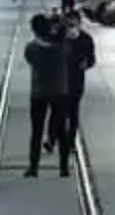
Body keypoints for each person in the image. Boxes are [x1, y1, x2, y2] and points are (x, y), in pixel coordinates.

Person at [24, 14, 71, 178]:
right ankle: (64, 168)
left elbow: (29, 59)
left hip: (38, 92)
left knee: (36, 130)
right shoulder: (61, 47)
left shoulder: (32, 48)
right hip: (59, 91)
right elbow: (67, 49)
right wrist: (59, 28)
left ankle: (33, 167)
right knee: (61, 130)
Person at [46, 10, 95, 154]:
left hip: (76, 82)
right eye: (69, 22)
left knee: (73, 113)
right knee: (57, 112)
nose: (72, 25)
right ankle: (51, 140)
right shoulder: (57, 38)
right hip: (58, 82)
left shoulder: (86, 39)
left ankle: (71, 142)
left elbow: (92, 59)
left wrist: (86, 64)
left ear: (79, 23)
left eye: (74, 22)